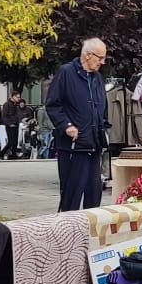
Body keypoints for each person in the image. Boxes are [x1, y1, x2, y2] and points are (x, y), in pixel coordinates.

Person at [46, 38, 111, 212]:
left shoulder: (97, 78)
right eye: (100, 57)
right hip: (73, 145)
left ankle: (90, 232)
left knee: (94, 193)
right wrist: (66, 125)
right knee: (71, 195)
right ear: (88, 55)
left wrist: (104, 126)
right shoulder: (66, 73)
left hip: (94, 144)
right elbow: (53, 104)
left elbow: (102, 105)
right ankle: (67, 232)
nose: (102, 62)